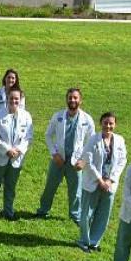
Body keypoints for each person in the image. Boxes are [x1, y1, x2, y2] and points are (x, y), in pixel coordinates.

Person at [36, 88, 95, 223]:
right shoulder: (58, 116)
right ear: (66, 99)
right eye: (70, 97)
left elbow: (91, 143)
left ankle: (75, 215)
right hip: (59, 160)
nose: (72, 100)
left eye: (75, 98)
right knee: (50, 186)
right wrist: (54, 154)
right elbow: (48, 135)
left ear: (80, 100)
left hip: (76, 162)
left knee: (75, 191)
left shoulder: (87, 119)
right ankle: (43, 210)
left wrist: (84, 161)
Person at [77, 112, 127, 253]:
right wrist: (100, 180)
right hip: (93, 182)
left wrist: (110, 180)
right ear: (101, 123)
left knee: (103, 215)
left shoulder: (120, 141)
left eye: (111, 123)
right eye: (105, 123)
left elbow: (122, 161)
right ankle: (84, 240)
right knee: (86, 214)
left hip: (109, 185)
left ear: (115, 125)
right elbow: (88, 160)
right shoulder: (93, 139)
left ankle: (94, 242)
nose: (108, 126)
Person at [0, 89, 33, 220]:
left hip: (16, 158)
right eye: (11, 98)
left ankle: (8, 212)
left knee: (11, 187)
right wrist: (6, 149)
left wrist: (18, 150)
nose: (14, 101)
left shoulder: (26, 116)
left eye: (16, 99)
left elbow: (28, 137)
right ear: (7, 99)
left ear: (20, 100)